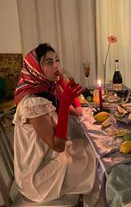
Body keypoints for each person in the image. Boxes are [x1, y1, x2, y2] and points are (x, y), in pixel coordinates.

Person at [13, 43, 98, 205]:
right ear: (36, 68)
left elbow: (78, 113)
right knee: (93, 160)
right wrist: (64, 104)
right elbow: (58, 145)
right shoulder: (33, 102)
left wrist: (65, 86)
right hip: (38, 175)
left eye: (57, 60)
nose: (56, 65)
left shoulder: (48, 87)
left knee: (91, 146)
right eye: (49, 62)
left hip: (47, 157)